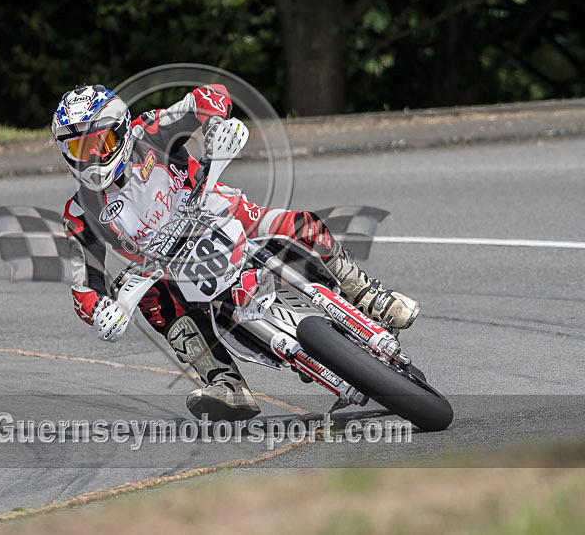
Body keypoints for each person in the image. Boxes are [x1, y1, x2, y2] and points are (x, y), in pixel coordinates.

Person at [52, 84, 419, 421]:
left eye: (100, 143)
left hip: (224, 214)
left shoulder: (151, 132)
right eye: (78, 149)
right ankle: (225, 383)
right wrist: (101, 310)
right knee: (152, 302)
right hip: (171, 269)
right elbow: (84, 282)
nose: (92, 156)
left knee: (300, 224)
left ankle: (366, 294)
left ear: (123, 130)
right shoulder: (80, 211)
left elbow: (209, 97)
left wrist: (215, 130)